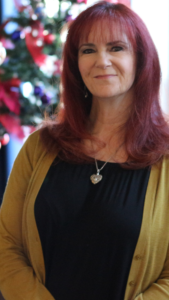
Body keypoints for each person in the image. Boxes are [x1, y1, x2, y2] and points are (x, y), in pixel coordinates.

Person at [0, 2, 169, 300]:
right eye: (87, 50)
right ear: (75, 63)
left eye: (116, 48)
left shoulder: (165, 157)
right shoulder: (39, 146)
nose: (101, 61)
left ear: (141, 60)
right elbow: (6, 243)